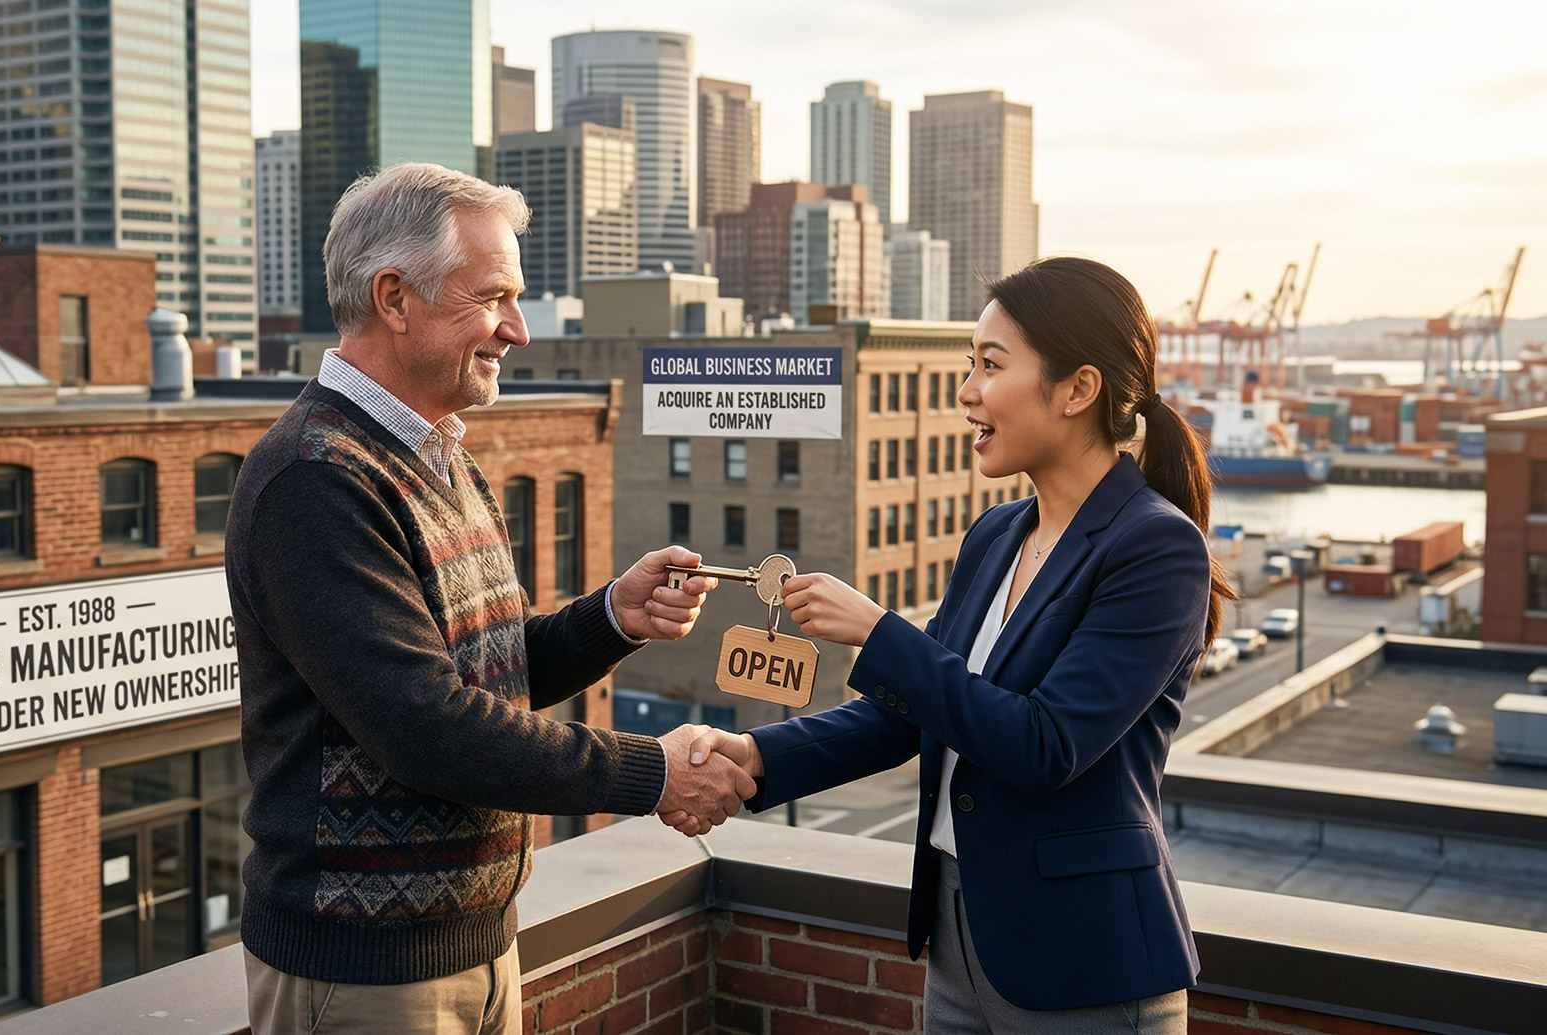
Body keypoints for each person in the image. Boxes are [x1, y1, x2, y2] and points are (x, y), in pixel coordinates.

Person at [228, 162, 754, 1034]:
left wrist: (610, 619)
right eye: (494, 297)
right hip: (365, 978)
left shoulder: (445, 458)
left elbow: (483, 674)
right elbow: (428, 728)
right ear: (394, 297)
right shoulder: (312, 479)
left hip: (476, 949)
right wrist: (653, 771)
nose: (516, 328)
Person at [673, 257, 1238, 1033]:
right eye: (968, 365)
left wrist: (879, 631)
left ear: (1078, 389)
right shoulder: (997, 534)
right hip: (958, 937)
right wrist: (756, 754)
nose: (966, 391)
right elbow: (912, 714)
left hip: (1085, 957)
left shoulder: (1156, 549)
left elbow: (1046, 744)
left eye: (991, 366)